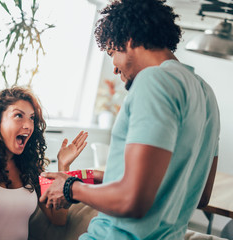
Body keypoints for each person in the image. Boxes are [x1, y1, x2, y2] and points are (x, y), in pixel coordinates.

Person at [39, 0, 220, 239]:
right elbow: (200, 195)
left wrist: (70, 188)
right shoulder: (206, 94)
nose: (114, 68)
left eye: (112, 53)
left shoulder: (154, 81)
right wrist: (109, 178)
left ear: (129, 39)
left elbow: (132, 201)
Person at [0, 87, 88, 239]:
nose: (28, 125)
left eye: (31, 118)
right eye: (19, 115)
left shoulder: (29, 164)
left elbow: (58, 218)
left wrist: (63, 166)